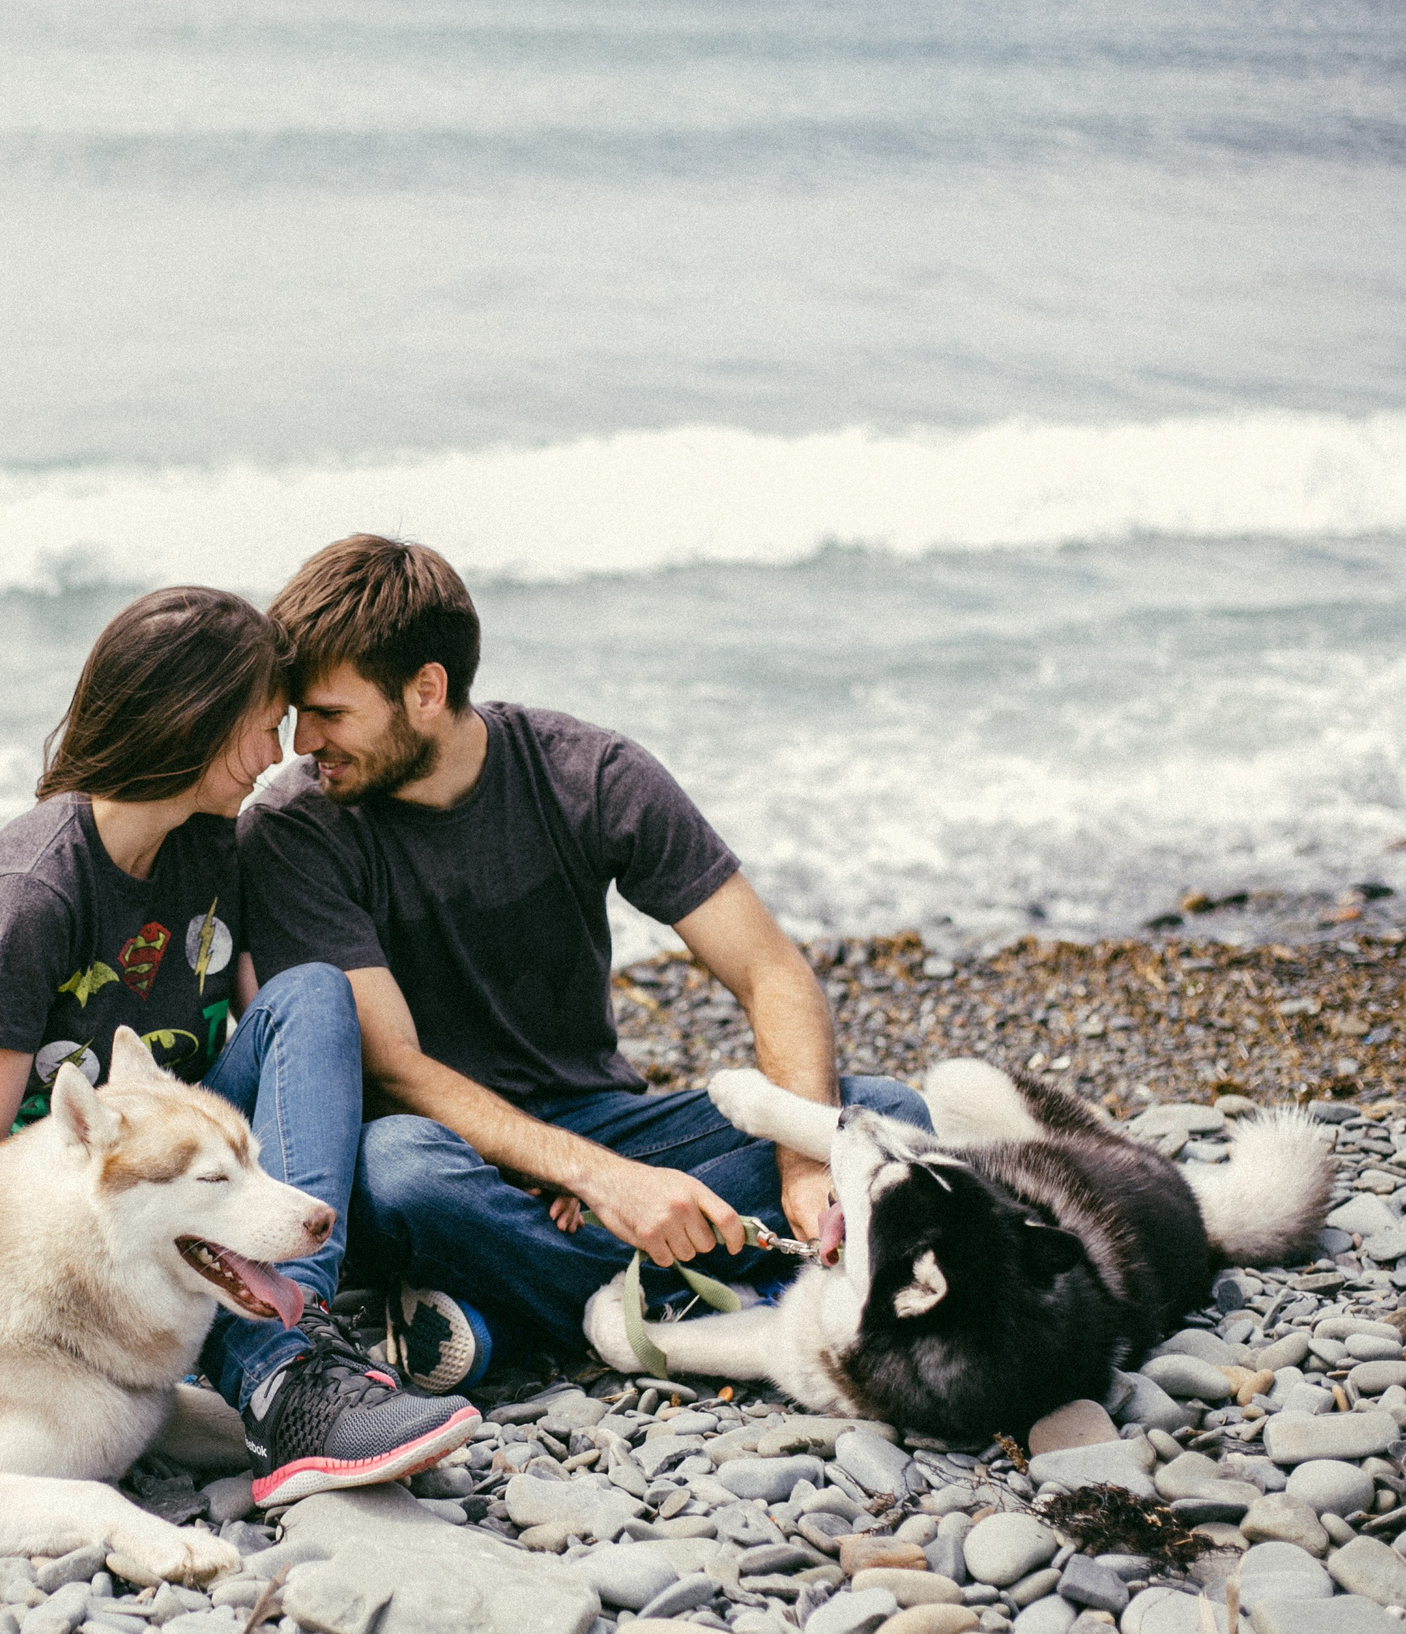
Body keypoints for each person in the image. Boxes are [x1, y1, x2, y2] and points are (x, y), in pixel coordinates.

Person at [236, 536, 933, 1390]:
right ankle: (685, 1291)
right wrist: (606, 1181)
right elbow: (399, 1071)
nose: (301, 742)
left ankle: (516, 1309)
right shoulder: (294, 828)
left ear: (425, 690)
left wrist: (801, 1160)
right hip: (438, 1147)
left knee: (883, 1112)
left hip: (596, 1119)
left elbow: (770, 973)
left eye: (329, 713)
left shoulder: (589, 776)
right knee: (402, 1173)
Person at [0, 585, 475, 1504]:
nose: (278, 755)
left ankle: (301, 1332)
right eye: (261, 727)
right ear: (190, 723)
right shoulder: (28, 893)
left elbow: (281, 1044)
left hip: (170, 1189)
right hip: (3, 1214)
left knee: (313, 993)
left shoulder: (213, 850)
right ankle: (288, 1384)